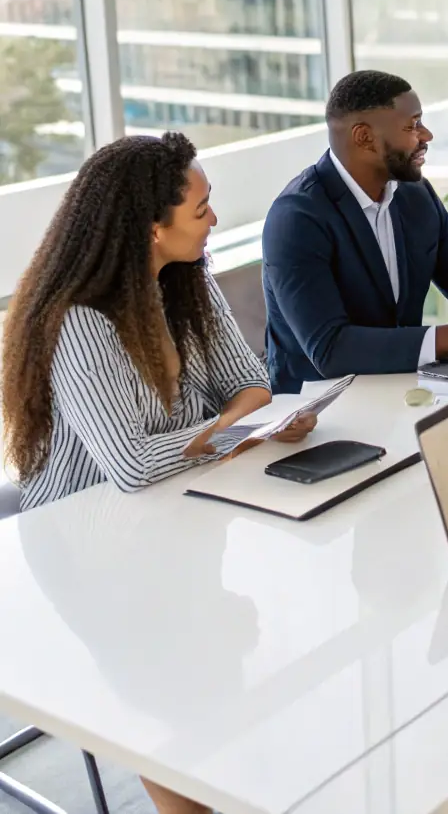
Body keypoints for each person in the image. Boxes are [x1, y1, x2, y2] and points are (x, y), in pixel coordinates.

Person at [0, 131, 311, 814]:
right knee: (185, 710)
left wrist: (233, 427)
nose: (214, 219)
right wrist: (235, 431)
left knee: (234, 680)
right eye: (201, 208)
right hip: (87, 549)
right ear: (151, 225)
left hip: (175, 513)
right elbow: (132, 464)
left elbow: (253, 384)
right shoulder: (78, 320)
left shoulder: (184, 285)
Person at [262, 70, 448, 393]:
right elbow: (331, 349)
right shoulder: (296, 218)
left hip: (402, 389)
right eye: (412, 125)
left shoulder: (416, 196)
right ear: (364, 137)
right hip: (321, 410)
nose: (427, 135)